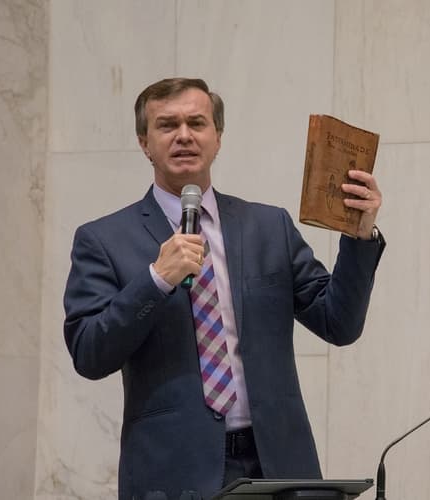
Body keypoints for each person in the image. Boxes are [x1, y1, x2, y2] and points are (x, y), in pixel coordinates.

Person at [63, 77, 385, 499]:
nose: (184, 135)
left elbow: (339, 324)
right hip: (174, 476)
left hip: (279, 468)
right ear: (144, 143)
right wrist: (156, 280)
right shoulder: (103, 240)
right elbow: (89, 353)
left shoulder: (269, 227)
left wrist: (359, 239)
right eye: (167, 125)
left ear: (217, 138)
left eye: (197, 123)